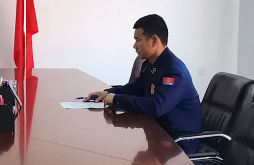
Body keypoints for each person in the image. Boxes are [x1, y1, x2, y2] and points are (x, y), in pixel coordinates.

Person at [85, 14, 202, 154]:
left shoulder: (174, 71)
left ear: (154, 40)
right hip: (160, 134)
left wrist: (116, 99)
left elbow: (155, 106)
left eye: (138, 40)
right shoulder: (151, 64)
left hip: (179, 145)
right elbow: (135, 88)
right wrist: (108, 93)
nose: (134, 46)